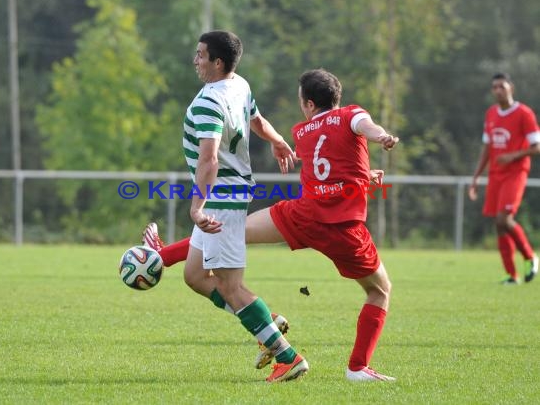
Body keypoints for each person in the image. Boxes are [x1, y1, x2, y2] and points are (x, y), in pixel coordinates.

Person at [145, 68, 399, 382]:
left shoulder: (302, 132)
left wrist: (362, 174)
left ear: (308, 104)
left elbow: (327, 164)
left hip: (303, 216)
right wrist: (381, 136)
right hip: (343, 229)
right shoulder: (351, 114)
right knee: (379, 292)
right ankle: (357, 368)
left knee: (230, 229)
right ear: (338, 97)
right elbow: (363, 128)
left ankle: (162, 256)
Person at [146, 30, 308, 383]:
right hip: (226, 195)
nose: (195, 60)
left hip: (220, 197)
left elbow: (209, 160)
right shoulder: (239, 85)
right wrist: (279, 141)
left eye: (201, 55)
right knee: (193, 276)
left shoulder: (208, 101)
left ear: (218, 62)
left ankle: (287, 356)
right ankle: (267, 320)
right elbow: (256, 120)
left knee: (231, 287)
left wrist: (196, 208)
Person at [469, 73, 540, 284]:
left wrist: (513, 155)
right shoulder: (491, 113)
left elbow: (536, 147)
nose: (498, 90)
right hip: (496, 175)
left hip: (515, 173)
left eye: (502, 86)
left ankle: (530, 257)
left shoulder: (524, 113)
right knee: (499, 225)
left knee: (504, 219)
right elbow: (487, 148)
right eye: (495, 87)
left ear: (511, 87)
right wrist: (475, 178)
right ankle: (511, 275)